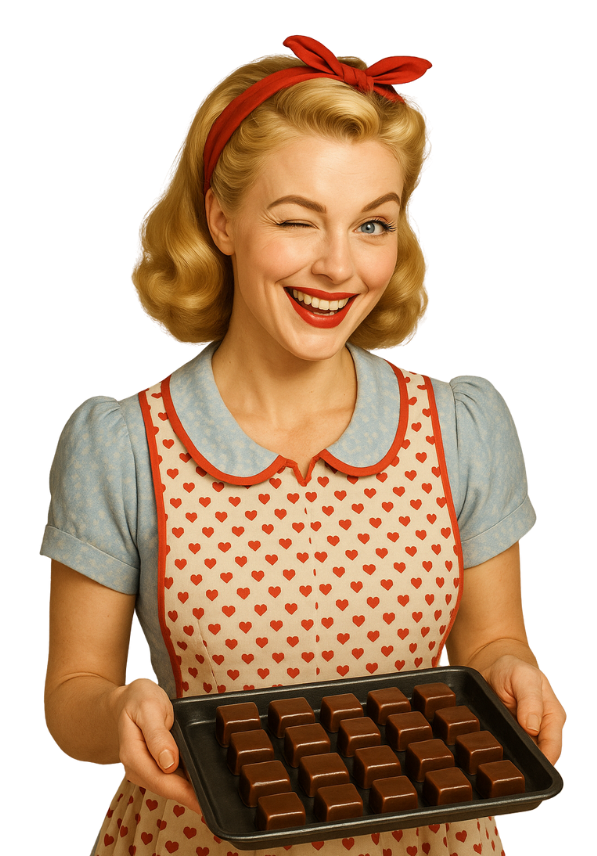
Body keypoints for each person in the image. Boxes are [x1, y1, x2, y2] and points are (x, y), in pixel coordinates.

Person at [42, 35, 566, 856]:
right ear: (221, 219)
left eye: (371, 224)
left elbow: (491, 639)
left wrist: (511, 670)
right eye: (295, 221)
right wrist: (116, 712)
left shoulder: (463, 425)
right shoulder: (122, 444)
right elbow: (73, 695)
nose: (337, 267)